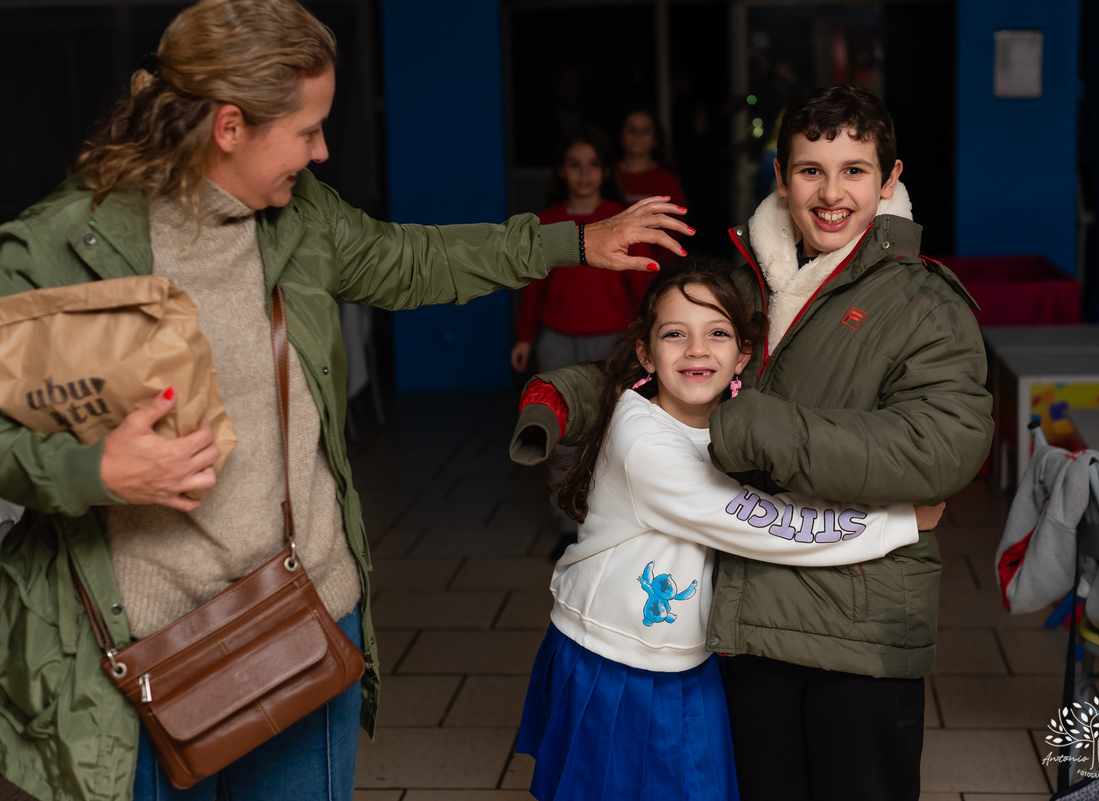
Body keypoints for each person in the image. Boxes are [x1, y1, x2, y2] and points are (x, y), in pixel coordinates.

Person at [0, 2, 687, 801]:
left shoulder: (302, 216)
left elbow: (411, 259)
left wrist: (571, 241)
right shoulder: (65, 245)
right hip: (139, 647)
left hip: (301, 612)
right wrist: (96, 470)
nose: (324, 150)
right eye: (308, 129)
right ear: (230, 126)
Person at [511, 85, 993, 800]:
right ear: (781, 176)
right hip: (748, 616)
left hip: (860, 627)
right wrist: (567, 396)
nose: (831, 194)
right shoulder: (746, 279)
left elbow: (941, 446)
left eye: (855, 170)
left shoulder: (926, 305)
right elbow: (670, 361)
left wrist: (761, 428)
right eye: (810, 170)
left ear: (890, 178)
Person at [516, 258, 943, 801]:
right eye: (675, 334)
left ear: (743, 355)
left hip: (684, 658)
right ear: (646, 353)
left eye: (716, 333)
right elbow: (771, 526)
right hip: (614, 657)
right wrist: (899, 520)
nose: (697, 350)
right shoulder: (646, 443)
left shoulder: (730, 424)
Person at [511, 126, 653, 553]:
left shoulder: (620, 216)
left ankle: (610, 524)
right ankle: (567, 524)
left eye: (593, 164)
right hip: (556, 341)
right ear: (562, 171)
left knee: (612, 435)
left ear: (606, 171)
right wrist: (524, 338)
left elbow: (642, 282)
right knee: (559, 435)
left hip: (613, 342)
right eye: (575, 164)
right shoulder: (548, 221)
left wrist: (650, 333)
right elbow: (533, 286)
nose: (585, 173)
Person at [616, 108, 687, 267]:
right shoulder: (606, 175)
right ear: (621, 136)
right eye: (632, 129)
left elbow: (675, 229)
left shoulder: (667, 181)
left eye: (645, 130)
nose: (638, 135)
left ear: (655, 139)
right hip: (612, 263)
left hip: (655, 265)